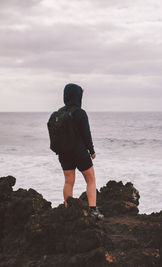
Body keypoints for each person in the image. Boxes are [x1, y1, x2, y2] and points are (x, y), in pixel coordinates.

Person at [57, 83, 103, 219]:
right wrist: (92, 150)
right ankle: (93, 210)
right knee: (90, 180)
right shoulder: (80, 113)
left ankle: (67, 209)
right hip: (80, 152)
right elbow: (86, 134)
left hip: (64, 153)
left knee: (68, 181)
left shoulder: (60, 113)